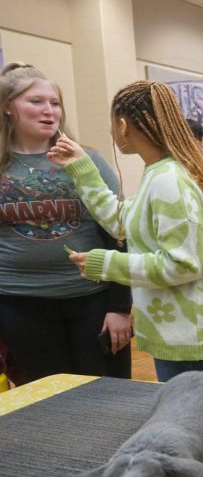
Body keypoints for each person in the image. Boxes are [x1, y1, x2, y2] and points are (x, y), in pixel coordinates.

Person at [47, 80, 203, 381]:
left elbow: (184, 263)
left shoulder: (169, 180)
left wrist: (109, 264)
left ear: (123, 125)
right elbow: (123, 220)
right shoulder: (159, 173)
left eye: (112, 124)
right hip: (186, 330)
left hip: (192, 336)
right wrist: (82, 168)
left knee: (188, 421)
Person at [0, 62, 132, 384]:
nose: (49, 111)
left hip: (93, 301)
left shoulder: (86, 160)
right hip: (20, 304)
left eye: (55, 103)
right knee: (47, 399)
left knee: (107, 396)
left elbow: (119, 232)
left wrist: (120, 306)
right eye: (36, 101)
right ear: (7, 107)